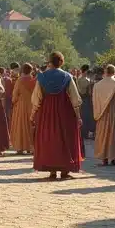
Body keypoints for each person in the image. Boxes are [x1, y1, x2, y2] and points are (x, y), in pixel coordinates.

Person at [31, 51, 83, 180]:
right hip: (65, 112)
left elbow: (36, 98)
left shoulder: (42, 77)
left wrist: (33, 114)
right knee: (65, 138)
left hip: (47, 112)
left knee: (50, 138)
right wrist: (78, 116)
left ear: (50, 62)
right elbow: (75, 98)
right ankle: (65, 170)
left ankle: (52, 171)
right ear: (61, 62)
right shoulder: (67, 77)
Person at [92, 64, 115, 166]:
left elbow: (94, 100)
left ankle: (104, 158)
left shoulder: (97, 85)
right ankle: (113, 157)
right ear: (114, 72)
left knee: (103, 134)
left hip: (102, 113)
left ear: (105, 72)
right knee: (114, 135)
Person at [10, 62, 36, 155]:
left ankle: (20, 147)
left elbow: (15, 94)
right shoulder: (34, 80)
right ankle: (31, 147)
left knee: (20, 126)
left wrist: (14, 101)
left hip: (21, 105)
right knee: (31, 125)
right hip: (32, 105)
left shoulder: (19, 80)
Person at [77, 65, 95, 140]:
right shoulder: (82, 79)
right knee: (85, 116)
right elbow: (83, 90)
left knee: (87, 116)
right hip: (84, 99)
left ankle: (86, 132)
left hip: (86, 99)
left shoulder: (84, 78)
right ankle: (84, 133)